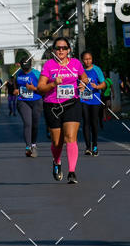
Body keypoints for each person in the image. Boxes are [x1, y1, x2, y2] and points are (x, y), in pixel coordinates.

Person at [37, 38, 90, 184]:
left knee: (70, 137)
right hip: (52, 106)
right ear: (54, 50)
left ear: (69, 50)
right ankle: (57, 161)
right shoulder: (49, 65)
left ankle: (72, 172)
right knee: (57, 142)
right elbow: (40, 87)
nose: (61, 50)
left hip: (72, 103)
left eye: (64, 48)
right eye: (58, 48)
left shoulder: (76, 64)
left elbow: (84, 77)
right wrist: (53, 83)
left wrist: (83, 84)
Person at [14, 59, 43, 157]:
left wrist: (33, 88)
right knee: (27, 123)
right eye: (23, 68)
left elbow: (43, 88)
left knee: (35, 125)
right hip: (23, 101)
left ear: (31, 65)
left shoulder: (37, 74)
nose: (25, 71)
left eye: (27, 68)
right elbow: (15, 83)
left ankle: (33, 144)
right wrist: (16, 90)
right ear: (21, 66)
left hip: (36, 101)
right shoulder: (19, 73)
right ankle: (28, 147)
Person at [79, 51, 106, 156]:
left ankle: (95, 145)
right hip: (83, 99)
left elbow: (103, 84)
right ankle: (87, 147)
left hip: (95, 99)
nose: (88, 61)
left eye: (89, 58)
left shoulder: (97, 69)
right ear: (82, 60)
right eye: (85, 59)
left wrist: (97, 87)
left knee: (94, 123)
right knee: (86, 122)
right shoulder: (79, 70)